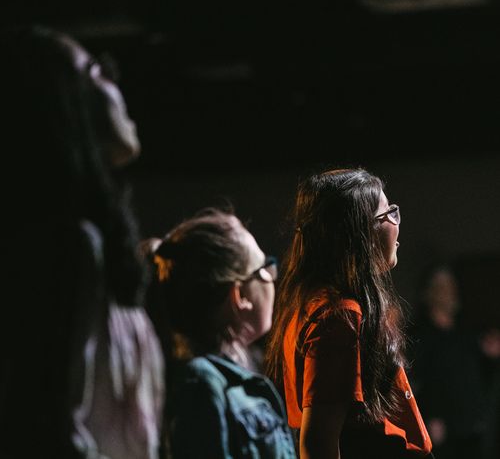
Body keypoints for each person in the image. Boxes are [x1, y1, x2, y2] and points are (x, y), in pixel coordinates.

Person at [0, 25, 163, 458]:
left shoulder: (83, 241)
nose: (113, 81)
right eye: (96, 70)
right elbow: (45, 428)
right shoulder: (64, 245)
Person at [265, 168, 433, 458]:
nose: (396, 222)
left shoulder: (316, 305)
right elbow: (318, 443)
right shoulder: (338, 316)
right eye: (388, 214)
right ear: (360, 232)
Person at [144, 207, 297, 458]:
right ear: (240, 296)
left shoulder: (235, 372)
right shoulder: (201, 385)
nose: (273, 279)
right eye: (265, 269)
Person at [408, 262, 496, 459]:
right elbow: (413, 383)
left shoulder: (465, 333)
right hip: (443, 435)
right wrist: (429, 416)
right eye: (442, 286)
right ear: (428, 293)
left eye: (451, 285)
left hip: (473, 431)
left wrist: (490, 356)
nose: (450, 291)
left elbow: (481, 376)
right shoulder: (420, 337)